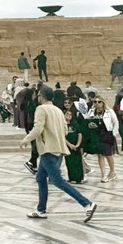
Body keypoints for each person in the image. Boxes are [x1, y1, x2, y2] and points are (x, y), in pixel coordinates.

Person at [23, 86, 98, 221]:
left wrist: (27, 139)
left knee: (58, 181)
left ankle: (87, 203)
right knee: (40, 178)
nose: (37, 98)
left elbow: (38, 127)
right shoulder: (58, 110)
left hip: (48, 149)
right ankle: (41, 210)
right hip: (57, 148)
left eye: (38, 95)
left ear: (42, 96)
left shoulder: (41, 109)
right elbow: (64, 129)